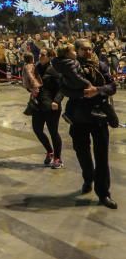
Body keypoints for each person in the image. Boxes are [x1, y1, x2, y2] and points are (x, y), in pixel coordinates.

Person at [54, 39, 117, 209]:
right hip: (79, 118)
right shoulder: (69, 67)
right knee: (82, 153)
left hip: (99, 117)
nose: (88, 52)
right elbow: (63, 88)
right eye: (84, 49)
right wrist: (82, 93)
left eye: (90, 49)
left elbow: (112, 86)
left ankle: (104, 193)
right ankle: (88, 178)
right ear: (77, 51)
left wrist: (97, 90)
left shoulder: (101, 66)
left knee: (102, 156)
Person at [32, 49, 64, 168]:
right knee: (37, 129)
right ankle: (50, 151)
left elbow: (62, 88)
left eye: (43, 55)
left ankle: (57, 158)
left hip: (51, 106)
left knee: (53, 132)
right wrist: (31, 89)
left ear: (50, 57)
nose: (40, 56)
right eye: (39, 54)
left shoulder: (54, 69)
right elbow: (32, 83)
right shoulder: (36, 68)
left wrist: (57, 101)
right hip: (38, 105)